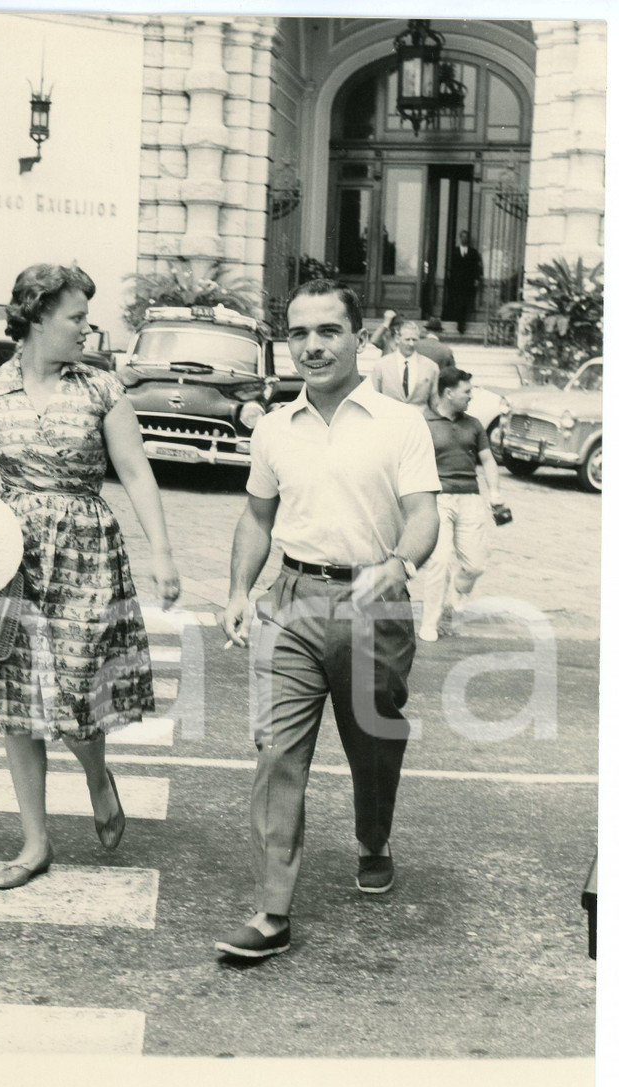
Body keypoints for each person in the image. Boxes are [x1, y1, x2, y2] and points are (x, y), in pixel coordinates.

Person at [216, 278, 439, 959]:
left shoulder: (400, 423)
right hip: (290, 598)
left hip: (376, 600)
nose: (312, 347)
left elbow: (425, 513)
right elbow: (257, 516)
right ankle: (272, 911)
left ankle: (373, 836)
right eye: (299, 334)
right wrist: (236, 591)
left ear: (358, 338)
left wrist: (398, 563)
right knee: (277, 752)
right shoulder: (275, 428)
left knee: (374, 744)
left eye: (328, 332)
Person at [0, 262, 181, 889]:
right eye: (76, 317)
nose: (87, 329)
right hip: (11, 558)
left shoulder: (102, 388)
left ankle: (96, 774)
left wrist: (162, 552)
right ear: (34, 318)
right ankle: (35, 842)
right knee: (19, 699)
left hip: (86, 548)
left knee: (77, 689)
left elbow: (135, 471)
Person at [418, 368, 505, 643]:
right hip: (438, 499)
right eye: (467, 392)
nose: (471, 397)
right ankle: (429, 623)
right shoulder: (423, 423)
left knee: (475, 565)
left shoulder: (475, 424)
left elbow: (488, 460)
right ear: (449, 393)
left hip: (470, 498)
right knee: (439, 562)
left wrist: (495, 494)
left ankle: (458, 589)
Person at [369, 319, 439, 409]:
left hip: (418, 420)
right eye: (407, 339)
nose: (411, 344)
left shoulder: (431, 367)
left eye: (414, 340)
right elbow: (374, 399)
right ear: (398, 339)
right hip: (388, 419)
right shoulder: (381, 365)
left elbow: (434, 402)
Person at [447, 231, 484, 335]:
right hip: (457, 283)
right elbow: (452, 267)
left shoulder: (473, 252)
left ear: (468, 239)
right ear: (460, 238)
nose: (464, 239)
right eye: (462, 237)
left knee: (465, 303)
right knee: (458, 303)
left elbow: (477, 267)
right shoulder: (454, 251)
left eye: (466, 237)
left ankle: (462, 324)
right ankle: (460, 324)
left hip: (468, 283)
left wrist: (476, 279)